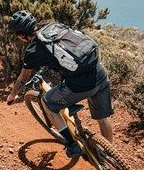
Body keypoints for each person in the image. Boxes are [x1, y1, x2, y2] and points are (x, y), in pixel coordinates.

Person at [6, 10, 113, 157]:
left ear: (21, 35)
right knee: (102, 118)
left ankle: (72, 145)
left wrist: (12, 95)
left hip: (80, 85)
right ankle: (111, 157)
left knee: (47, 103)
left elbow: (22, 78)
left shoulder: (33, 50)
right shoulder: (53, 26)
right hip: (99, 73)